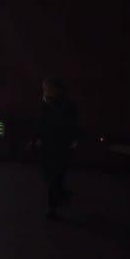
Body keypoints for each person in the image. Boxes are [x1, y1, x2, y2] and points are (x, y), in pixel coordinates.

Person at [36, 77, 81, 219]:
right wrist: (39, 137)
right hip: (49, 144)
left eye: (47, 87)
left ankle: (53, 207)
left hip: (61, 145)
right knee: (51, 176)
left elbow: (73, 123)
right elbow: (41, 122)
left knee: (55, 177)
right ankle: (60, 197)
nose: (45, 90)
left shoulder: (66, 105)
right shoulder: (45, 103)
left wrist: (74, 139)